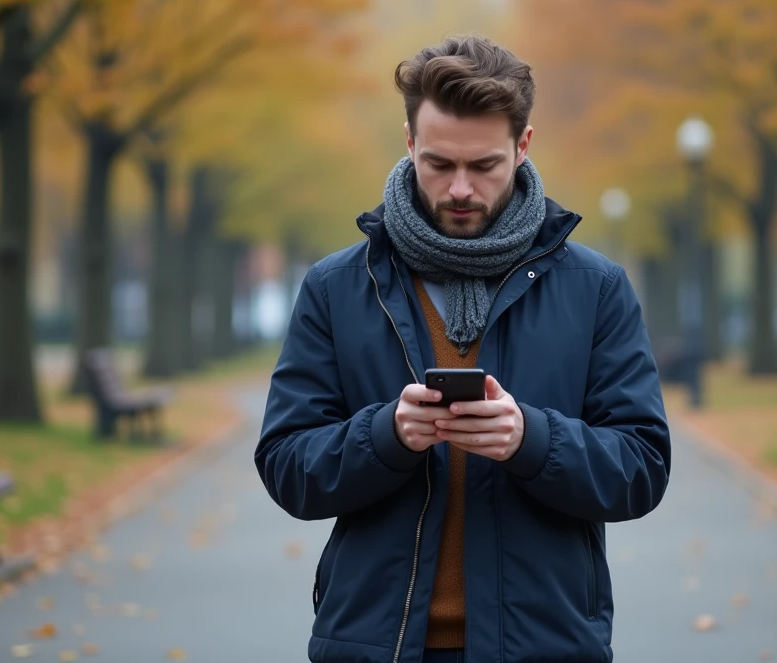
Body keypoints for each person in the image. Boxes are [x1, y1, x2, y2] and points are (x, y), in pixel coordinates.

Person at [255, 34, 672, 663]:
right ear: (409, 143)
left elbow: (642, 468)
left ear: (523, 146)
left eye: (484, 166)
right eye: (438, 163)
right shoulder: (336, 287)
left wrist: (529, 439)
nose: (459, 189)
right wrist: (387, 435)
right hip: (376, 646)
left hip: (545, 647)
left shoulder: (596, 289)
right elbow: (288, 467)